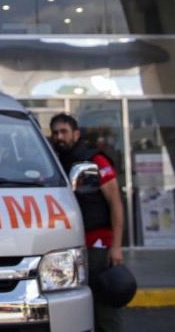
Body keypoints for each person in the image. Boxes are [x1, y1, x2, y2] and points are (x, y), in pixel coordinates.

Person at [50, 113, 125, 332]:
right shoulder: (56, 161)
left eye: (64, 132)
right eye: (55, 132)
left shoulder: (95, 161)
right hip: (70, 247)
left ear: (76, 133)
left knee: (105, 309)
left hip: (98, 245)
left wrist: (117, 247)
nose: (59, 137)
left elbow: (116, 203)